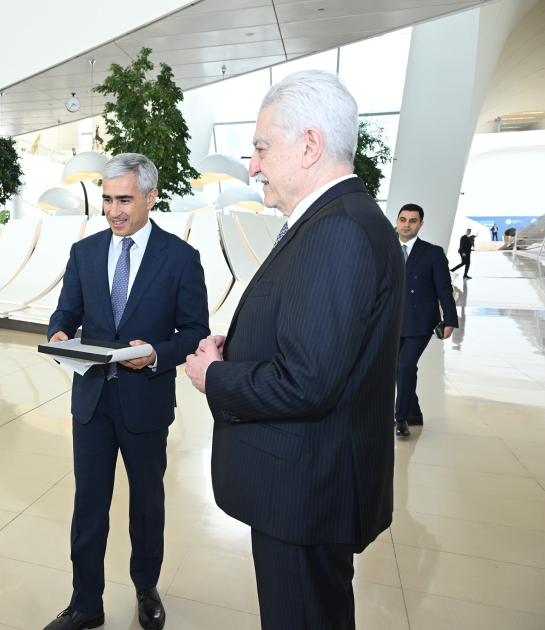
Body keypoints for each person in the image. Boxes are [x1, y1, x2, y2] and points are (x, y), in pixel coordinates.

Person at [185, 70, 403, 630]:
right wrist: (245, 344)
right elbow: (326, 338)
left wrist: (216, 377)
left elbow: (306, 381)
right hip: (313, 480)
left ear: (310, 145)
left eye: (260, 147)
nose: (252, 165)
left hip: (304, 491)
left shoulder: (336, 231)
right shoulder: (342, 220)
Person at [44, 153, 209, 630]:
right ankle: (85, 603)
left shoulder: (180, 258)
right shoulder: (86, 252)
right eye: (108, 200)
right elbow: (65, 312)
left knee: (146, 505)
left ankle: (146, 588)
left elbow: (195, 331)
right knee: (89, 506)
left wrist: (157, 352)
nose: (114, 210)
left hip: (145, 401)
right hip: (92, 401)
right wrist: (58, 334)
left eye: (124, 199)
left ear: (151, 197)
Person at [394, 204, 458, 437]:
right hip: (392, 321)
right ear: (397, 221)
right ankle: (414, 411)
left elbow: (443, 288)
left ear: (420, 224)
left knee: (405, 366)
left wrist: (450, 318)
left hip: (420, 321)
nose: (407, 225)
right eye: (403, 219)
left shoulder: (432, 252)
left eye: (412, 221)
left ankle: (400, 419)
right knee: (398, 369)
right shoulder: (387, 248)